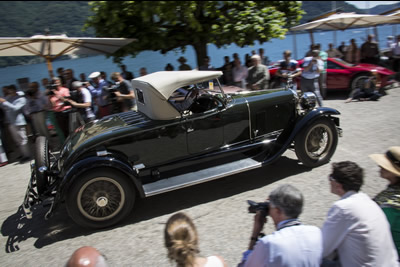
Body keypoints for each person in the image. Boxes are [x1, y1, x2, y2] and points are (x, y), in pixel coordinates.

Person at [322, 161, 399, 267]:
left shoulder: (343, 208)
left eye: (331, 177)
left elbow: (324, 249)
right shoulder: (368, 201)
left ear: (338, 185)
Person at [239, 184, 323, 267]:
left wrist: (255, 233)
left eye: (270, 207)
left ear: (277, 211)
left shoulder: (269, 244)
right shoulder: (315, 233)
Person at [369, 146, 400, 256]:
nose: (380, 165)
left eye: (386, 165)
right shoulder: (393, 190)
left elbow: (373, 231)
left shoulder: (392, 205)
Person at [0, 85, 31, 163]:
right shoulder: (9, 98)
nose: (9, 93)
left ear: (14, 90)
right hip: (11, 122)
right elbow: (3, 106)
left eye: (10, 91)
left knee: (23, 139)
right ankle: (23, 154)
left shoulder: (21, 99)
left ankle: (27, 155)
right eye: (8, 91)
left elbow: (15, 108)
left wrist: (5, 102)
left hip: (19, 122)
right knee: (17, 141)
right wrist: (4, 102)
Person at [47, 77, 71, 141]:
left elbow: (66, 101)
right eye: (54, 83)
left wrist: (57, 94)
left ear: (60, 82)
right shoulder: (52, 93)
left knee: (69, 130)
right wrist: (50, 95)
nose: (56, 84)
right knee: (64, 131)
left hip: (66, 112)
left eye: (57, 82)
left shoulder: (65, 90)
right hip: (58, 113)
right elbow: (53, 104)